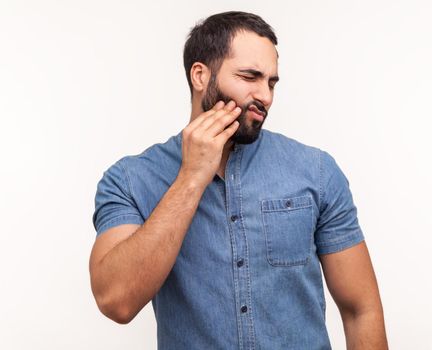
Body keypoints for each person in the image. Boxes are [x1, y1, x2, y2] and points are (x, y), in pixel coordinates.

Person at [89, 11, 388, 350]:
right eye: (250, 77)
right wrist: (190, 179)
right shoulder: (130, 180)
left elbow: (360, 309)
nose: (266, 96)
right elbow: (116, 301)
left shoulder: (316, 171)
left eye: (271, 82)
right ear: (200, 75)